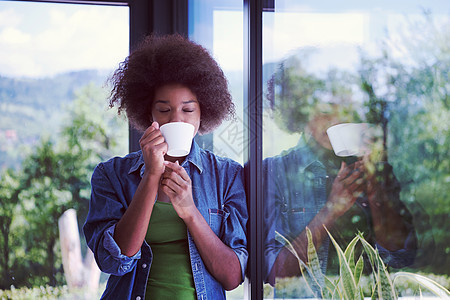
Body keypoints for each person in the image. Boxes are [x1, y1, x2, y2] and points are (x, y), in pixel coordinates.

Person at [83, 34, 248, 300]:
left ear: (203, 112)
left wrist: (190, 211)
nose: (177, 119)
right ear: (148, 113)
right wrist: (150, 176)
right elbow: (114, 261)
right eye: (164, 110)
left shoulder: (227, 176)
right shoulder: (111, 175)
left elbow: (232, 278)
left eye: (188, 110)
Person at [262, 60, 417, 292]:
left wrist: (375, 189)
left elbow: (401, 257)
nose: (336, 119)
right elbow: (275, 272)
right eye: (325, 111)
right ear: (298, 113)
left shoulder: (377, 168)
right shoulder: (275, 172)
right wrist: (331, 210)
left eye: (343, 110)